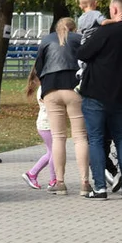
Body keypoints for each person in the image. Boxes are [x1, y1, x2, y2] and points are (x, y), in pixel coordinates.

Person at [76, 0, 122, 199]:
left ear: (114, 10)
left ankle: (100, 187)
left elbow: (83, 52)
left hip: (96, 92)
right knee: (121, 139)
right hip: (121, 95)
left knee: (96, 139)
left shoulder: (107, 31)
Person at [34, 17, 90, 195]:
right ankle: (84, 182)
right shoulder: (79, 38)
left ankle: (60, 182)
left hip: (51, 88)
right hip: (73, 86)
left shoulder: (46, 40)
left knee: (58, 137)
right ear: (73, 28)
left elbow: (38, 66)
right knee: (80, 137)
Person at [22, 69, 55, 191]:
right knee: (54, 153)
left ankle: (32, 173)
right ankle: (53, 179)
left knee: (50, 152)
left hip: (47, 124)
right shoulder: (43, 90)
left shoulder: (45, 88)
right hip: (46, 125)